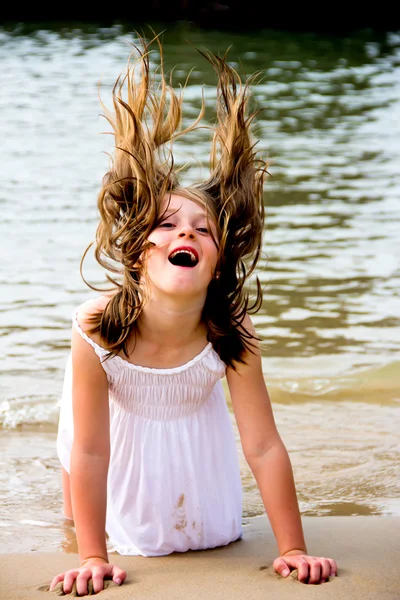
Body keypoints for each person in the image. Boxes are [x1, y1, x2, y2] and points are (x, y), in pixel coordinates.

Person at [50, 35, 337, 595]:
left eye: (203, 230)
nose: (186, 232)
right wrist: (92, 555)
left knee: (213, 535)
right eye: (167, 224)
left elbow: (262, 444)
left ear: (216, 266)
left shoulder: (230, 331)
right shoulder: (98, 329)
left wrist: (293, 548)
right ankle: (75, 519)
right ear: (137, 253)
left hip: (195, 450)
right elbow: (90, 448)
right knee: (77, 463)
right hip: (109, 428)